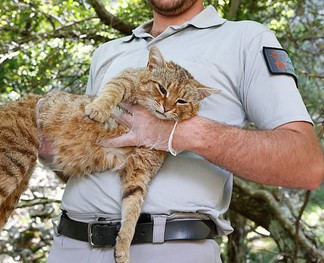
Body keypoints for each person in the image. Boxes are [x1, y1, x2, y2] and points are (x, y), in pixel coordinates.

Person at [42, 1, 324, 262]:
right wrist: (49, 151)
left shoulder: (246, 38)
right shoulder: (108, 51)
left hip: (169, 248)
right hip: (70, 244)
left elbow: (306, 164)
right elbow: (88, 159)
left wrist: (177, 133)